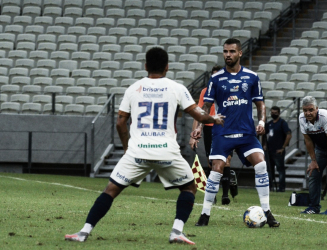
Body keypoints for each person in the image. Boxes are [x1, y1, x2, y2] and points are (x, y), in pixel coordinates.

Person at [64, 47, 225, 245]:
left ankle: (83, 232)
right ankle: (176, 231)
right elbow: (200, 115)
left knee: (110, 191)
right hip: (167, 151)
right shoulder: (177, 88)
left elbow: (120, 122)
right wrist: (214, 118)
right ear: (167, 67)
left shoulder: (133, 88)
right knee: (189, 188)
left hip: (137, 151)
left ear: (146, 66)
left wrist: (126, 148)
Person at [191, 38, 280, 227]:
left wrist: (262, 121)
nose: (228, 55)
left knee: (261, 164)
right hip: (222, 133)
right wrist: (199, 127)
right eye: (225, 52)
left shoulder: (252, 77)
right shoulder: (215, 79)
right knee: (216, 170)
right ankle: (205, 214)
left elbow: (260, 103)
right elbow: (206, 106)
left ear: (240, 53)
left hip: (247, 134)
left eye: (232, 51)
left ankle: (267, 211)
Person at [189, 65, 236, 205]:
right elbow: (199, 113)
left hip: (226, 127)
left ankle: (225, 195)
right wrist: (194, 134)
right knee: (212, 163)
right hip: (210, 128)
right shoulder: (205, 92)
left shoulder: (232, 90)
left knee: (226, 160)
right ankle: (213, 194)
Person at [262, 106, 292, 192]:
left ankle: (281, 188)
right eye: (272, 112)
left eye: (275, 113)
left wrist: (283, 147)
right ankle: (269, 186)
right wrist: (264, 144)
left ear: (278, 113)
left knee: (280, 170)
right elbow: (264, 133)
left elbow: (288, 134)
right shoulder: (270, 123)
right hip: (269, 151)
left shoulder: (282, 123)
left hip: (278, 151)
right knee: (269, 170)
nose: (273, 114)